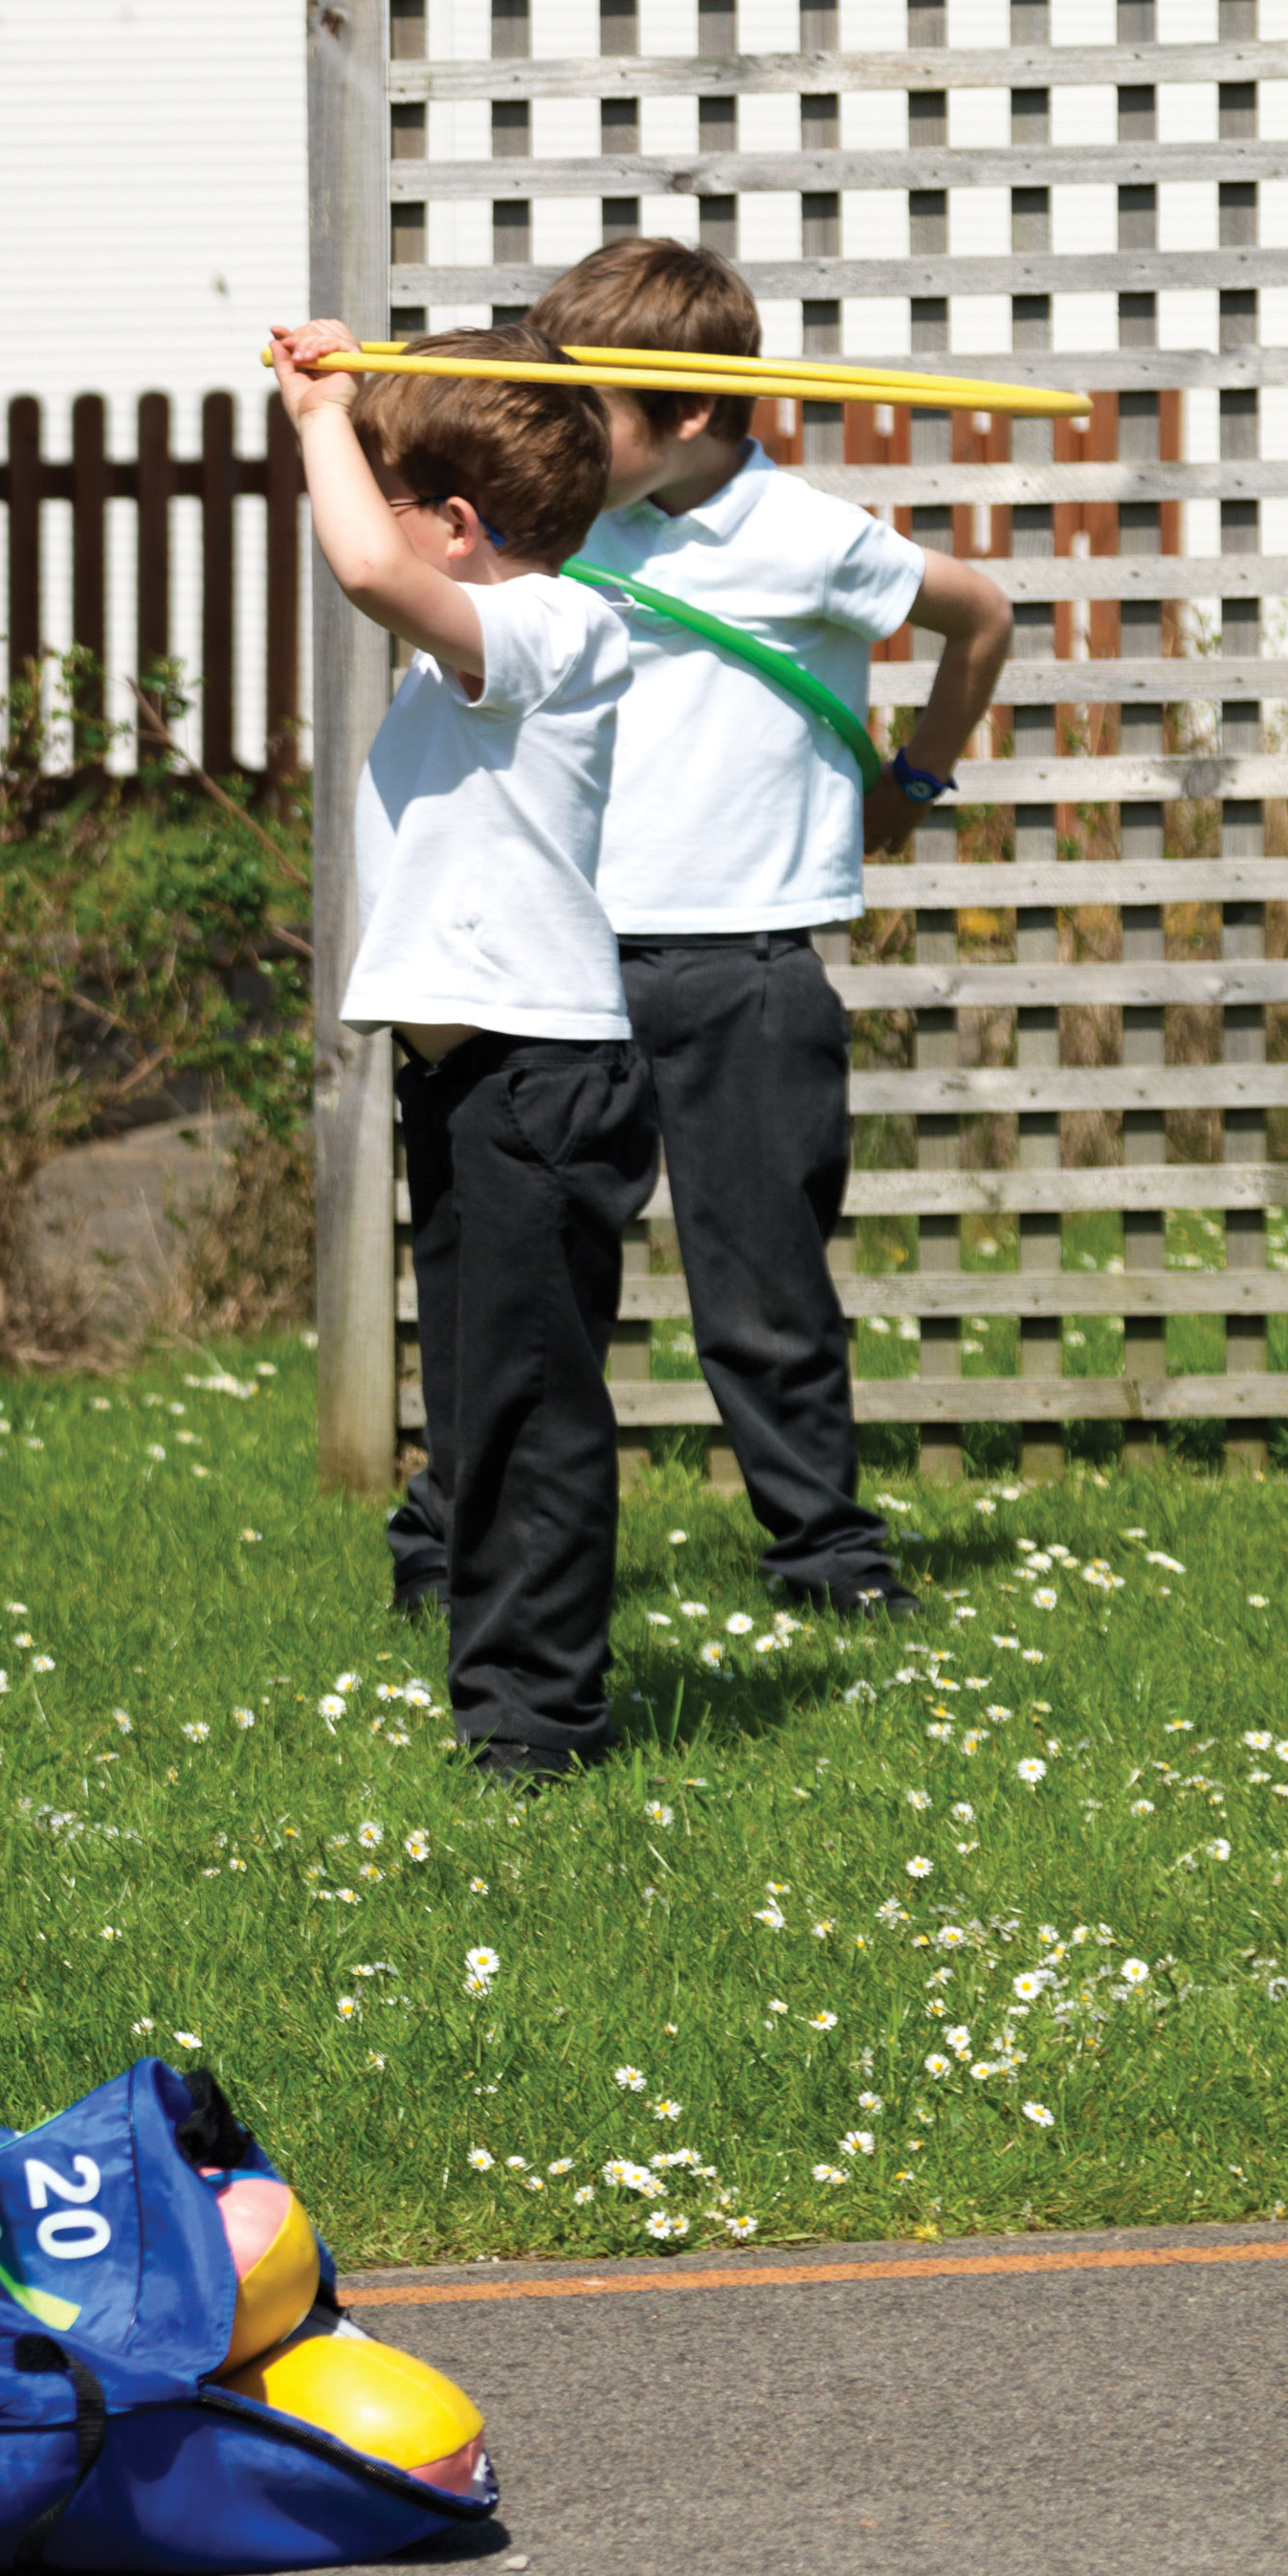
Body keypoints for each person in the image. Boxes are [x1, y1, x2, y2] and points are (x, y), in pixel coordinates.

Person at [417, 238, 1006, 1622]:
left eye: (588, 411)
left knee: (765, 1289)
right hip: (561, 964)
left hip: (746, 968)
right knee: (514, 1283)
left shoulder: (807, 537)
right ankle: (443, 1545)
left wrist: (911, 779)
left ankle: (826, 1559)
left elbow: (981, 617)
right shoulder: (546, 528)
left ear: (686, 412)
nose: (555, 435)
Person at [282, 332, 649, 1781]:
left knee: (531, 1419)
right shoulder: (467, 669)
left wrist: (319, 412)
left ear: (451, 525)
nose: (362, 517)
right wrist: (355, 414)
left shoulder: (558, 632)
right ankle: (503, 1691)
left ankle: (535, 1730)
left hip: (538, 1084)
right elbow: (386, 565)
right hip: (474, 1084)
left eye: (383, 492)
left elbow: (366, 571)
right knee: (485, 1409)